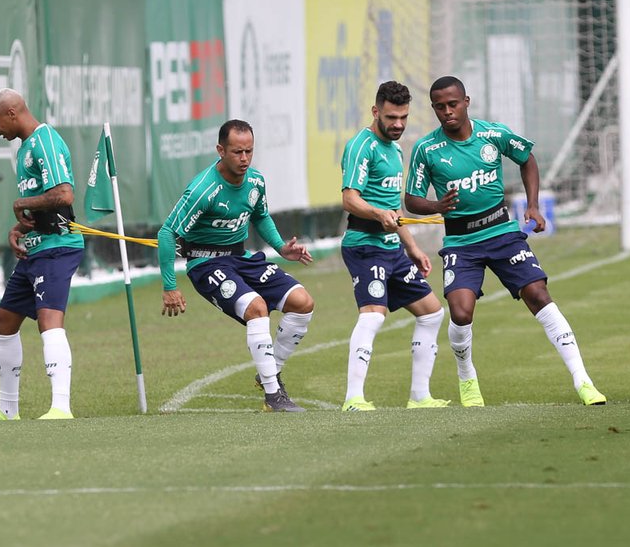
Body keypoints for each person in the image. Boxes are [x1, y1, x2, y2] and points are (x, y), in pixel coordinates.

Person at [405, 75, 606, 407]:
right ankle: (467, 377)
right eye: (439, 107)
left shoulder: (493, 134)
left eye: (453, 104)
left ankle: (583, 381)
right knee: (461, 311)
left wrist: (533, 205)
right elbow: (412, 199)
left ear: (466, 102)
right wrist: (435, 206)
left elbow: (527, 159)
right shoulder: (427, 149)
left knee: (538, 294)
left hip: (501, 231)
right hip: (460, 240)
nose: (447, 112)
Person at [158, 119, 314, 413]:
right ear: (220, 150)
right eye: (237, 152)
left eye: (249, 151)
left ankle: (269, 371)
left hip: (241, 258)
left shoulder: (255, 181)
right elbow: (167, 233)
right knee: (257, 309)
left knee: (302, 302)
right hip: (206, 264)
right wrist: (169, 286)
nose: (244, 159)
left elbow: (260, 215)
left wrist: (281, 246)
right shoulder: (203, 190)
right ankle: (274, 396)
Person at [339, 81, 448, 411]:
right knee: (373, 316)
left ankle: (419, 397)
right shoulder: (362, 146)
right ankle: (353, 399)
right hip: (363, 244)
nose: (398, 124)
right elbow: (349, 199)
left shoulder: (395, 149)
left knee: (432, 313)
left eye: (403, 117)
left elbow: (393, 209)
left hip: (392, 248)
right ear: (376, 112)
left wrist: (412, 247)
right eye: (391, 117)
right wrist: (377, 214)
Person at [0, 88, 85, 420]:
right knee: (3, 320)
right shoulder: (26, 147)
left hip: (58, 247)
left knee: (49, 320)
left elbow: (64, 195)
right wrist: (20, 229)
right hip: (36, 248)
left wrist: (21, 203)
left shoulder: (44, 141)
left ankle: (60, 407)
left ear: (12, 114)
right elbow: (44, 204)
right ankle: (7, 410)